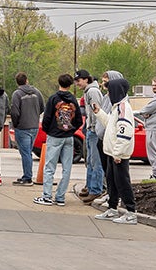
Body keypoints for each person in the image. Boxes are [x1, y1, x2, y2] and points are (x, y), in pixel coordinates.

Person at [93, 75, 137, 224]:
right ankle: (112, 208)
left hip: (119, 154)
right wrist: (99, 113)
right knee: (112, 181)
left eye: (110, 91)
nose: (108, 94)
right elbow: (111, 125)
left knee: (122, 182)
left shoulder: (124, 109)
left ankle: (131, 212)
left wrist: (118, 153)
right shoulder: (117, 107)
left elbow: (125, 133)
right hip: (113, 153)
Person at [34, 73, 82, 206]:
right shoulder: (73, 100)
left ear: (59, 83)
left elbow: (47, 117)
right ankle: (60, 196)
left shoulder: (54, 98)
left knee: (50, 167)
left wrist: (48, 130)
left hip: (55, 136)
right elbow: (78, 119)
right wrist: (71, 129)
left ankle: (47, 196)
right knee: (67, 168)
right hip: (68, 136)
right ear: (70, 84)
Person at [7, 72, 44, 185]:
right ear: (27, 80)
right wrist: (34, 116)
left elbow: (15, 112)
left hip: (22, 127)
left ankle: (27, 177)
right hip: (34, 126)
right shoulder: (37, 92)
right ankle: (27, 175)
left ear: (17, 82)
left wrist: (16, 124)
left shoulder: (17, 94)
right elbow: (42, 107)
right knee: (28, 151)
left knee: (26, 153)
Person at [74, 70, 103, 201]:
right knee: (90, 161)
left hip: (95, 130)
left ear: (86, 80)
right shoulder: (88, 92)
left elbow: (97, 111)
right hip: (90, 129)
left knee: (96, 162)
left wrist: (94, 127)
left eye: (78, 80)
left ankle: (96, 189)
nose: (77, 83)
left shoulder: (92, 92)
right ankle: (90, 187)